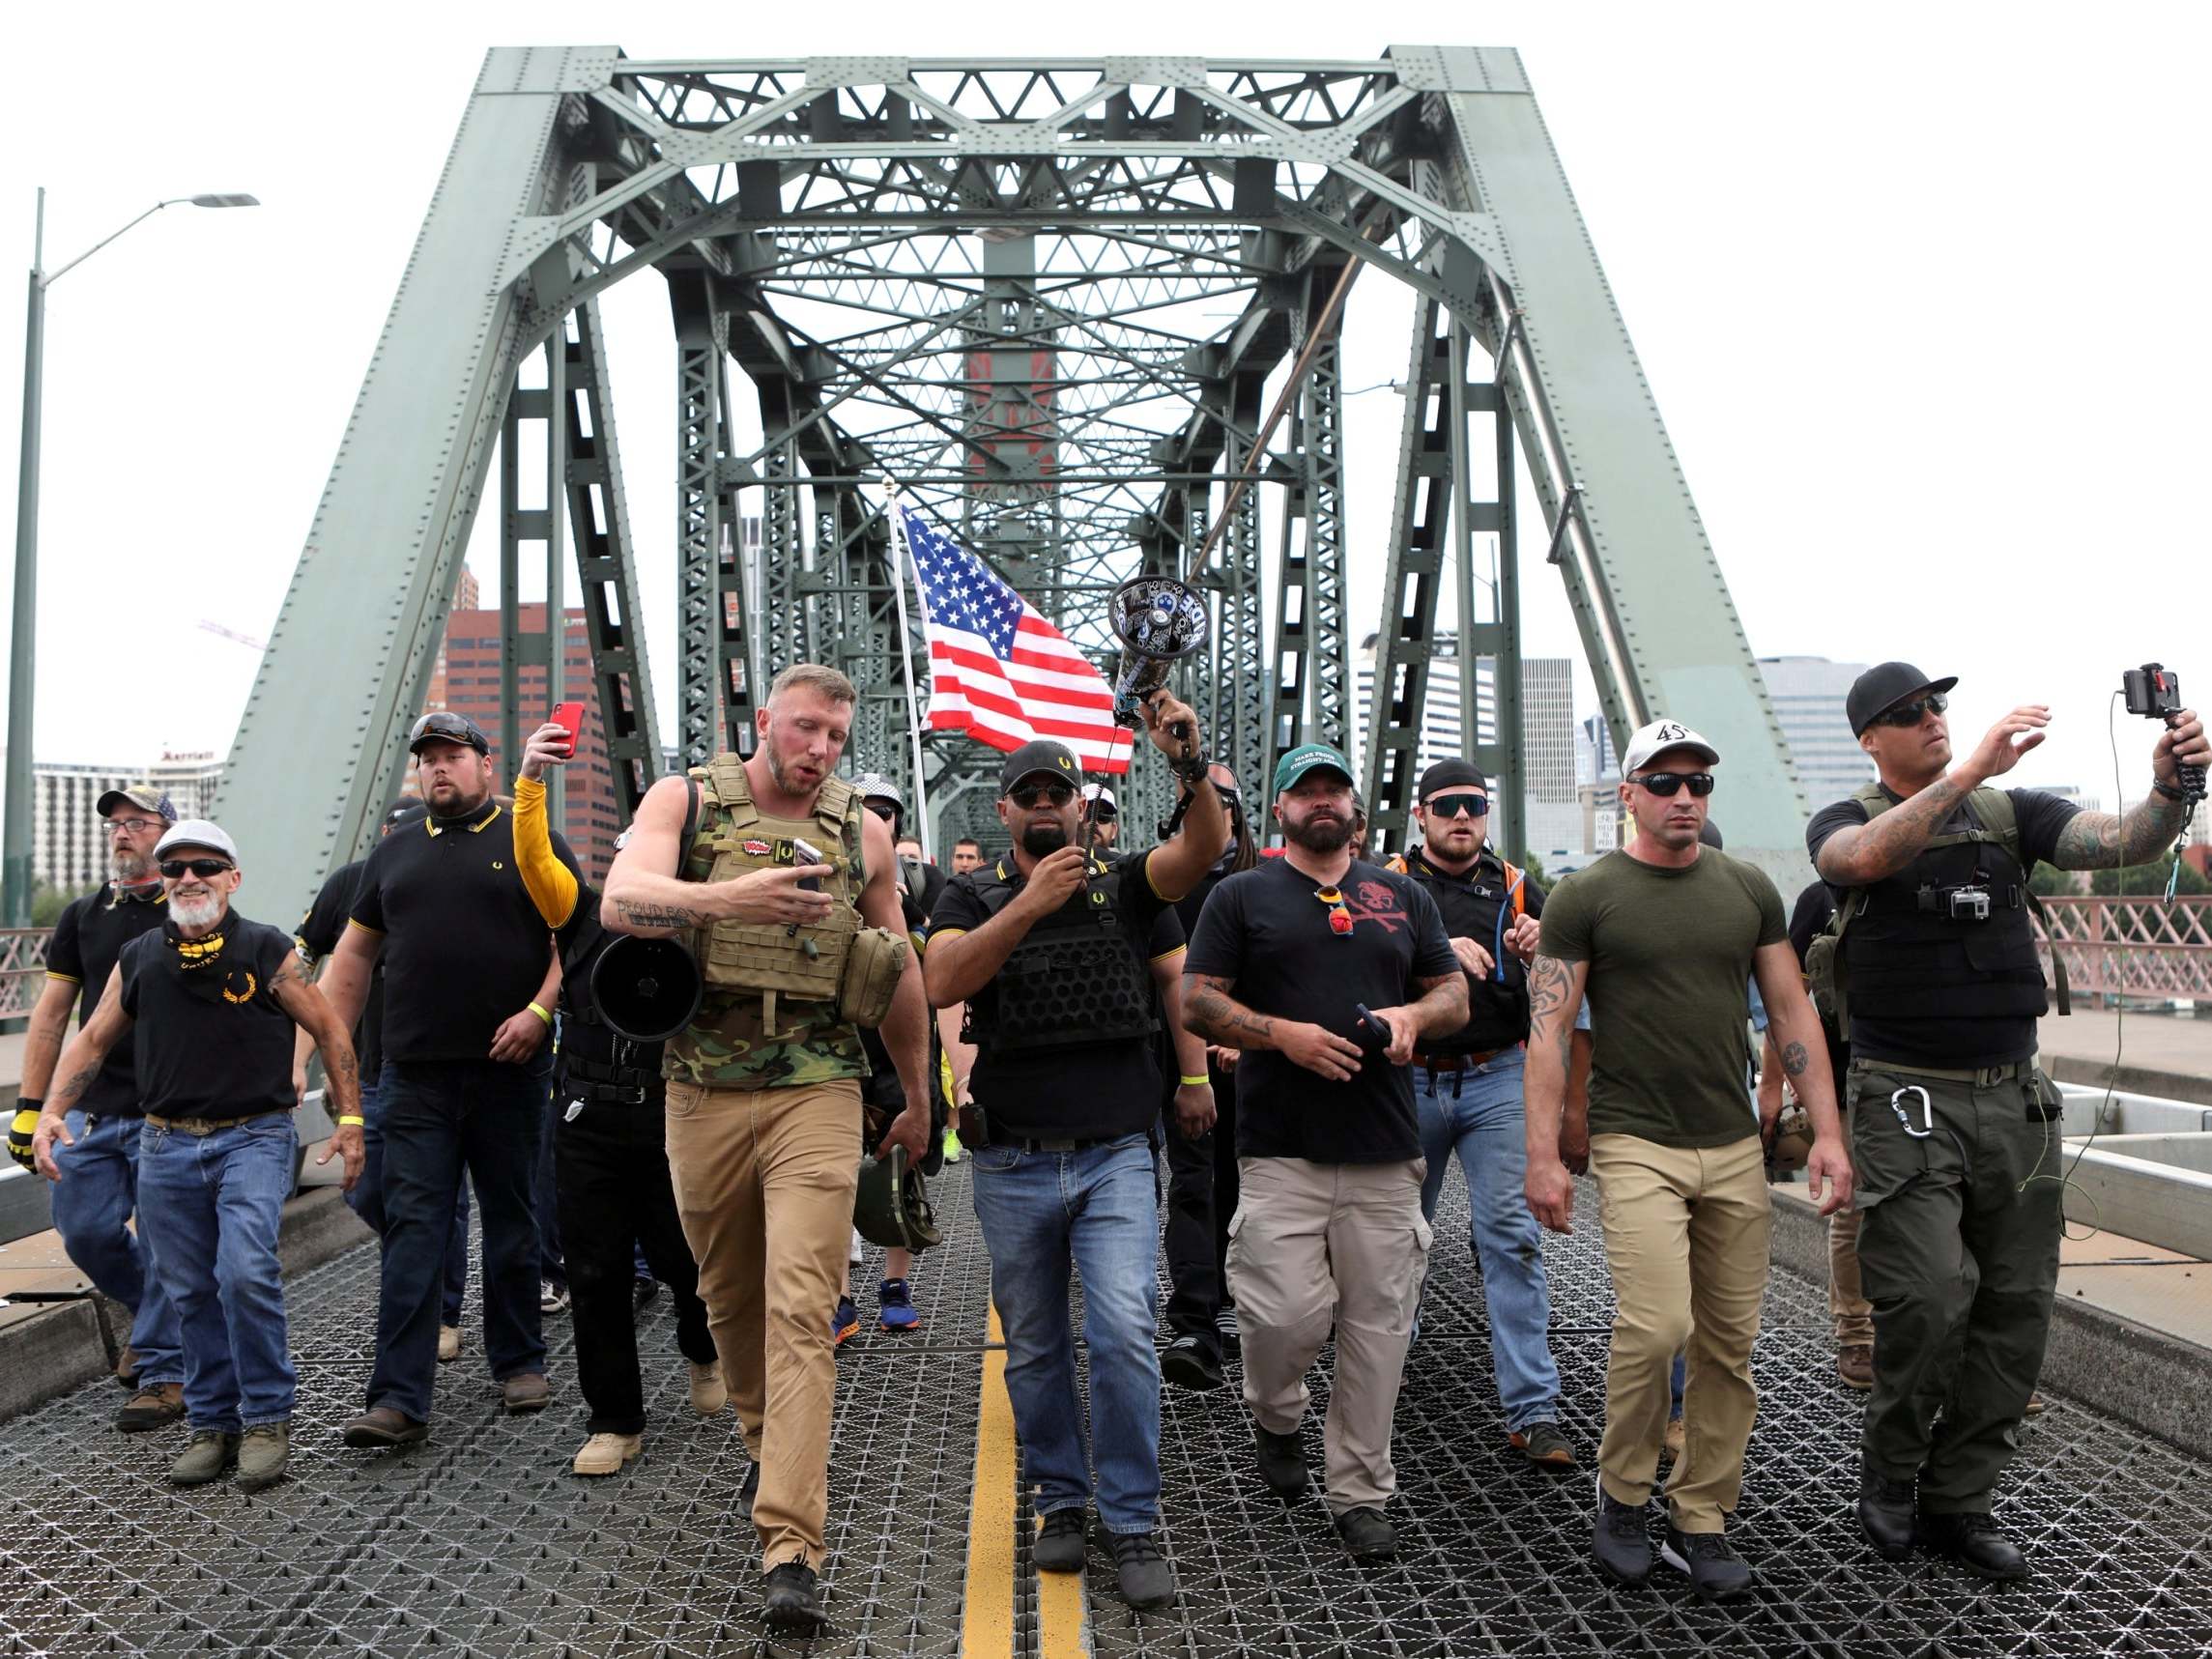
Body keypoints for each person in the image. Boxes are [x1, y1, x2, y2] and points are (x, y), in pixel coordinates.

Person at [1809, 664, 2207, 1581]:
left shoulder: (2011, 814)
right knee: (1927, 1299)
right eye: (1907, 714)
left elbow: (2117, 842)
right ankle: (1892, 1474)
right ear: (1871, 739)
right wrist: (1964, 773)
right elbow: (1860, 862)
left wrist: (2166, 786)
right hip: (1905, 1100)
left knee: (2015, 1307)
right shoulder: (1843, 819)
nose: (1932, 720)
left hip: (2012, 1097)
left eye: (1937, 706)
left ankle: (1962, 1498)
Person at [601, 663, 933, 1634]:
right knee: (729, 1295)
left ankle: (790, 1541)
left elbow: (899, 963)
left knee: (801, 1304)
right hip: (701, 1087)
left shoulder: (860, 831)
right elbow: (622, 901)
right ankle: (766, 1437)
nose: (819, 748)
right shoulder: (687, 798)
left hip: (817, 1087)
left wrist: (920, 1096)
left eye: (835, 734)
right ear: (764, 723)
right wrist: (724, 902)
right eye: (804, 729)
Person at [1522, 720, 1850, 1602]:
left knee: (1730, 1345)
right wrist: (1544, 1156)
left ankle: (1699, 1512)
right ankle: (1623, 1493)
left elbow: (1790, 1012)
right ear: (1627, 792)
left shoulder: (1745, 889)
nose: (1682, 797)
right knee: (1657, 1324)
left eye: (1698, 783)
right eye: (1664, 782)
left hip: (1731, 1146)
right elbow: (1549, 1032)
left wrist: (1824, 1130)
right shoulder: (1583, 896)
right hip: (1635, 1143)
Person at [925, 696, 1225, 1610]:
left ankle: (1131, 1518)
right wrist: (1030, 902)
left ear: (1080, 799)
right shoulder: (967, 895)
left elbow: (1203, 850)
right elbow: (941, 975)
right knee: (1036, 1346)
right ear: (1005, 812)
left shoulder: (1129, 883)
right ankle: (1061, 1498)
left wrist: (1188, 761)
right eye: (1028, 794)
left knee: (1127, 1332)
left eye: (1058, 789)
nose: (1044, 804)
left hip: (1113, 1155)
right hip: (1013, 1159)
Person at [1183, 741, 1467, 1564]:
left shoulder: (1400, 894)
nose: (1321, 801)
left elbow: (1450, 990)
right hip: (1281, 1149)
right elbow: (1198, 1000)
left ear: (1354, 805)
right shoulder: (1241, 896)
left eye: (1333, 788)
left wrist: (1414, 1018)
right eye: (1303, 790)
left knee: (1378, 1329)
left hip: (1384, 1150)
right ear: (1278, 810)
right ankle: (1277, 1413)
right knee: (1281, 1317)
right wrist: (1285, 1037)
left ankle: (1359, 1489)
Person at [31, 819, 364, 1490]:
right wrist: (47, 1113)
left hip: (253, 1135)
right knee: (188, 1288)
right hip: (165, 1142)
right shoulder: (140, 956)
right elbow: (92, 1039)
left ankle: (267, 1415)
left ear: (232, 878)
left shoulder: (266, 948)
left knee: (243, 1271)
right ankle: (213, 1422)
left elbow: (328, 1024)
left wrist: (349, 1117)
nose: (189, 877)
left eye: (205, 866)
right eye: (176, 866)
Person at [318, 711, 569, 1449]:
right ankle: (396, 1397)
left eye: (454, 755)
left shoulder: (530, 838)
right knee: (413, 1232)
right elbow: (354, 962)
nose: (438, 768)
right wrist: (339, 1077)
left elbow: (569, 942)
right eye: (427, 757)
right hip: (416, 1078)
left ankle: (519, 1360)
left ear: (487, 766)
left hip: (511, 1069)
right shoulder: (391, 855)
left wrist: (538, 1012)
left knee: (513, 1217)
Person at [506, 722, 725, 1477]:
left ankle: (703, 1349)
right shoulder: (582, 915)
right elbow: (534, 859)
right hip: (585, 1119)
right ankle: (614, 1419)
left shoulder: (703, 924)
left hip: (674, 1116)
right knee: (595, 1270)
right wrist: (530, 780)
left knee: (686, 1258)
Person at [1388, 759, 1575, 1472]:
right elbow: (1354, 972)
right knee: (1395, 1240)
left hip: (1497, 1074)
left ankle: (1534, 1409)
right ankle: (1379, 1378)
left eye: (1473, 804)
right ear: (1420, 814)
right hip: (1410, 1078)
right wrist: (1430, 954)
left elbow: (1567, 989)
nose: (1461, 816)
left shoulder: (1520, 889)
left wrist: (1541, 951)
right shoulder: (1386, 883)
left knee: (1511, 1237)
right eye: (1446, 805)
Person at [10, 784, 187, 1432]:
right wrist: (32, 1108)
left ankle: (167, 1373)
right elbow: (53, 1015)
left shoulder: (192, 909)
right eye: (115, 823)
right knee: (83, 1229)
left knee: (170, 1239)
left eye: (137, 822)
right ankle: (158, 1313)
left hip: (170, 1108)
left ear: (166, 833)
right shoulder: (84, 916)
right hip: (92, 1107)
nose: (122, 832)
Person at [295, 801, 474, 1365]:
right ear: (382, 836)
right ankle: (418, 1263)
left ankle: (440, 1312)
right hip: (361, 1074)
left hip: (428, 1067)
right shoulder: (349, 884)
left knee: (437, 1197)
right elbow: (307, 965)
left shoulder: (447, 878)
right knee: (364, 1188)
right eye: (393, 833)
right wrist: (294, 1055)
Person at [1158, 762, 1256, 1388]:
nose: (1207, 809)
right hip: (1184, 1063)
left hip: (1257, 1064)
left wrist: (1248, 1034)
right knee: (1195, 1183)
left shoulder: (1266, 882)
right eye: (1196, 799)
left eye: (1218, 799)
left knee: (1260, 1188)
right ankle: (1197, 1320)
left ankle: (1256, 1311)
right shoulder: (1163, 880)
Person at [1757, 878, 1874, 1391]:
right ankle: (1856, 1333)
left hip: (1921, 1072)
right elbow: (1785, 1000)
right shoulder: (1822, 897)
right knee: (1856, 1207)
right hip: (1847, 1079)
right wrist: (1773, 1083)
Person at [1079, 783, 1121, 853]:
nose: (1094, 823)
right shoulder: (1058, 861)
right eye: (1088, 815)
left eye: (1102, 817)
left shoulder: (1125, 863)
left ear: (1114, 830)